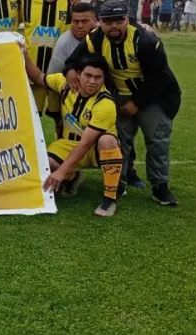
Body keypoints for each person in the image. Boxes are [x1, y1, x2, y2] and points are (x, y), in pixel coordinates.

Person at [65, 0, 181, 206]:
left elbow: (159, 78)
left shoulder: (145, 41)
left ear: (127, 19)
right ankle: (118, 183)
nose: (114, 26)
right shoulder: (95, 39)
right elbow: (74, 59)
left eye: (119, 20)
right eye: (108, 21)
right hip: (118, 97)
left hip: (154, 96)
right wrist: (71, 70)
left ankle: (160, 186)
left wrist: (136, 103)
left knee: (157, 140)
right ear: (101, 22)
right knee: (120, 141)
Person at [22, 51, 124, 217]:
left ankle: (109, 199)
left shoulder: (105, 103)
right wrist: (24, 54)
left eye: (98, 77)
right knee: (44, 164)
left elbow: (85, 144)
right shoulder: (64, 84)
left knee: (106, 140)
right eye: (88, 75)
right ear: (78, 74)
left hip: (94, 149)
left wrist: (61, 172)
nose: (92, 81)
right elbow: (39, 77)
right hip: (68, 143)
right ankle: (73, 177)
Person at [12, 0, 74, 123]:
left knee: (62, 120)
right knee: (29, 121)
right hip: (31, 72)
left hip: (59, 73)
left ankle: (59, 148)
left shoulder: (71, 1)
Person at [48, 2, 98, 75]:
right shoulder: (64, 42)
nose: (80, 26)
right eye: (76, 21)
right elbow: (53, 75)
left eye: (85, 21)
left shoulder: (103, 36)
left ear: (95, 21)